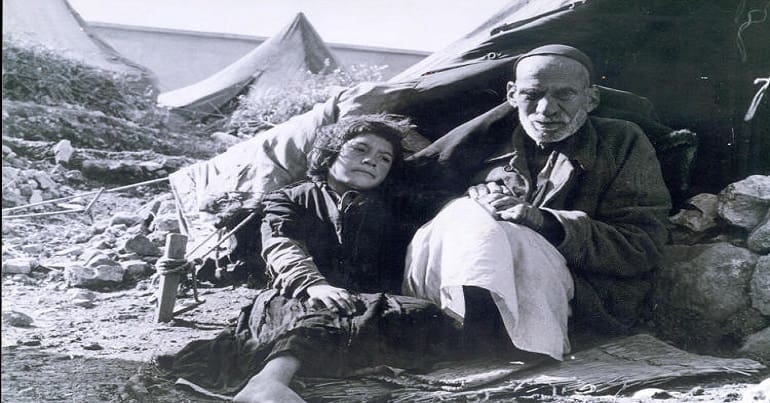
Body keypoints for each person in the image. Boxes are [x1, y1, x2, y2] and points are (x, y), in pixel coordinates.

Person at [157, 114, 459, 403]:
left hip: (366, 301)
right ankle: (268, 383)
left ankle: (328, 364)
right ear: (330, 153)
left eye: (384, 158)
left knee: (424, 314)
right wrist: (314, 285)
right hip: (297, 294)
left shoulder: (395, 206)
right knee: (315, 313)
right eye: (361, 149)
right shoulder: (288, 198)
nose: (372, 161)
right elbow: (282, 244)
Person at [403, 44, 672, 362]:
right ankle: (465, 335)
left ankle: (503, 345)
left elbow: (641, 245)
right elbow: (413, 205)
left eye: (565, 95)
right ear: (512, 95)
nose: (546, 110)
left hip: (574, 296)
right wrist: (471, 201)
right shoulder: (480, 144)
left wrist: (546, 222)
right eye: (532, 95)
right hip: (461, 289)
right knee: (465, 212)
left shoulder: (622, 143)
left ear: (591, 98)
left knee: (502, 229)